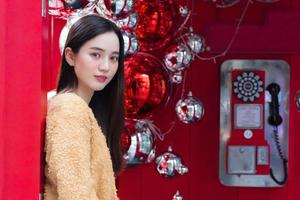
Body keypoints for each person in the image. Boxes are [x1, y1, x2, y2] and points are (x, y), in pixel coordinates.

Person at [44, 14, 124, 200]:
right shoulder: (69, 109)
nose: (105, 66)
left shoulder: (77, 108)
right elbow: (76, 194)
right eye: (95, 54)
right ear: (71, 56)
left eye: (113, 58)